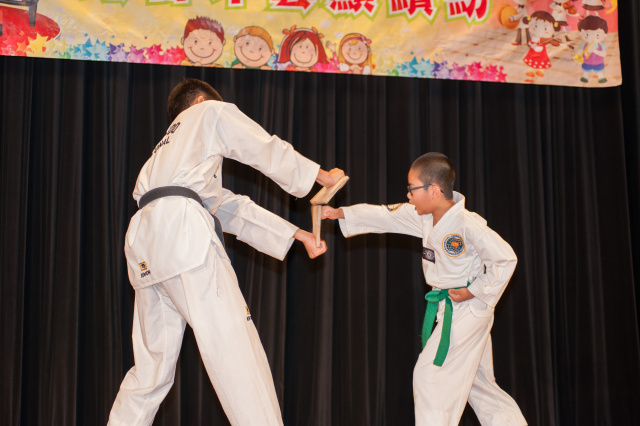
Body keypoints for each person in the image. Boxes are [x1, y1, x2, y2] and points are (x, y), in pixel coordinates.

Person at [108, 78, 345, 426]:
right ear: (200, 101)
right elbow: (259, 146)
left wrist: (296, 234)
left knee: (150, 370)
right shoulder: (207, 112)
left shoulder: (165, 159)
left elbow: (228, 206)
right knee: (234, 345)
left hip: (145, 241)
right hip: (182, 233)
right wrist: (321, 177)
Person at [322, 153, 527, 426]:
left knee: (430, 376)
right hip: (452, 306)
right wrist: (340, 213)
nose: (408, 196)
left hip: (468, 308)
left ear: (433, 190)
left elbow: (505, 259)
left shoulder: (468, 224)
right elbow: (384, 215)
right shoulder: (424, 217)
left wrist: (474, 290)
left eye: (412, 189)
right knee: (479, 385)